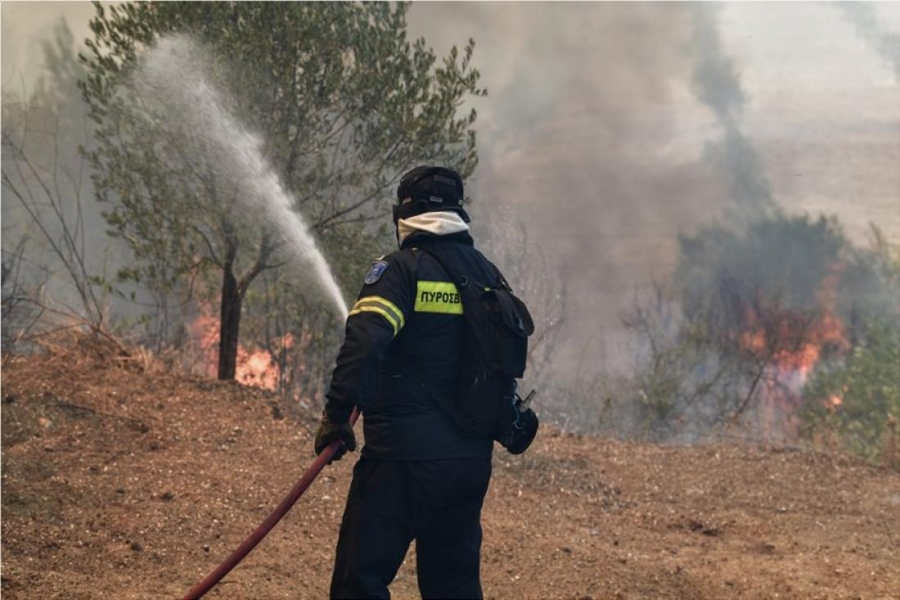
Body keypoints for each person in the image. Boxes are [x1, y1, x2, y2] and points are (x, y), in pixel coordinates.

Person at [315, 165, 509, 599]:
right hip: (469, 463)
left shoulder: (399, 271)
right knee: (453, 589)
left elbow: (366, 341)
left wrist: (337, 414)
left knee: (359, 584)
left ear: (404, 214)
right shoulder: (488, 276)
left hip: (401, 461)